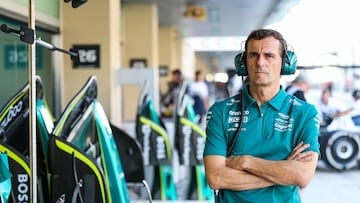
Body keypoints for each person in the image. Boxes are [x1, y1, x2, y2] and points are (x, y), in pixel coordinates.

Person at [203, 28, 320, 203]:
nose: (260, 62)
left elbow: (302, 176)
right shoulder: (221, 111)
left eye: (269, 56)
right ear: (243, 63)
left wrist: (246, 162)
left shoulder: (305, 113)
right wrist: (283, 172)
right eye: (253, 55)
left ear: (285, 64)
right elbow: (216, 178)